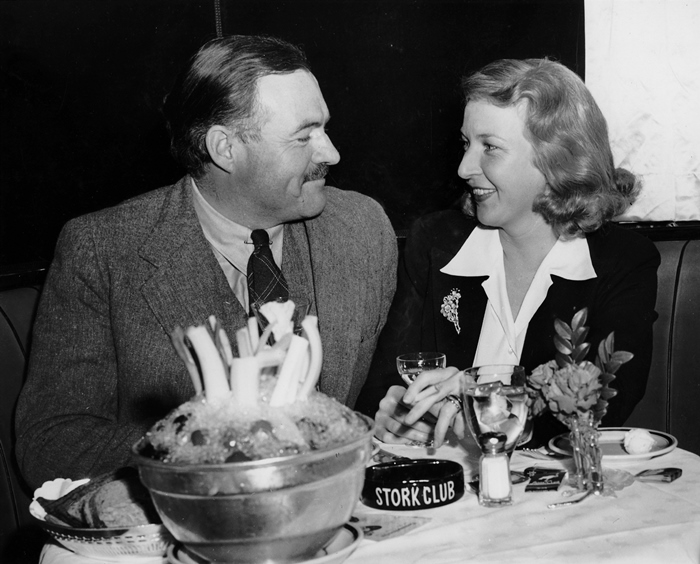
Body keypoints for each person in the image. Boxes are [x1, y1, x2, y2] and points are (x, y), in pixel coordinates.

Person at [15, 35, 397, 490]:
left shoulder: (362, 230)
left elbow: (377, 400)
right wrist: (215, 448)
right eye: (304, 137)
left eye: (325, 128)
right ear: (225, 149)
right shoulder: (102, 250)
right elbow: (51, 444)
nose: (331, 153)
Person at [356, 58, 659, 448]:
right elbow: (384, 383)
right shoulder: (436, 242)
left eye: (490, 148)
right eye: (466, 143)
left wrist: (476, 401)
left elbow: (604, 407)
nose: (464, 167)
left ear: (556, 160)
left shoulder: (622, 260)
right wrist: (393, 414)